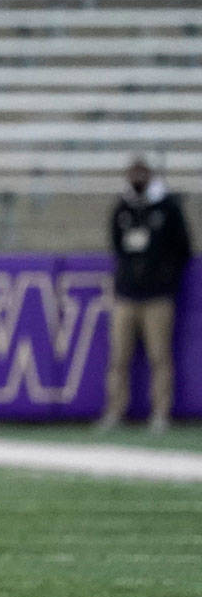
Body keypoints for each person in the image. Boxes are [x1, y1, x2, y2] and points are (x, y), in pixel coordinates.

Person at [98, 156, 193, 433]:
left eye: (141, 173)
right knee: (118, 357)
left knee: (159, 356)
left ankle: (161, 412)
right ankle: (115, 410)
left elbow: (183, 249)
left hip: (158, 297)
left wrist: (165, 278)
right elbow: (116, 245)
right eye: (133, 172)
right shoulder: (123, 208)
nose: (136, 178)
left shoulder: (167, 208)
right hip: (126, 295)